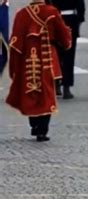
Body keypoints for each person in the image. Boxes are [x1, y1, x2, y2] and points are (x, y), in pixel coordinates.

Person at [5, 0, 71, 142]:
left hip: (28, 60)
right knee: (47, 94)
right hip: (48, 59)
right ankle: (42, 130)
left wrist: (14, 68)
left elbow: (15, 44)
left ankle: (34, 125)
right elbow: (64, 36)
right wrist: (65, 44)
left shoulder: (22, 14)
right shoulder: (51, 12)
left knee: (31, 92)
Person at [50, 0, 85, 99]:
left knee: (56, 55)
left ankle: (56, 82)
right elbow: (80, 5)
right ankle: (66, 87)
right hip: (70, 20)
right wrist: (80, 19)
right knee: (69, 55)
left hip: (54, 20)